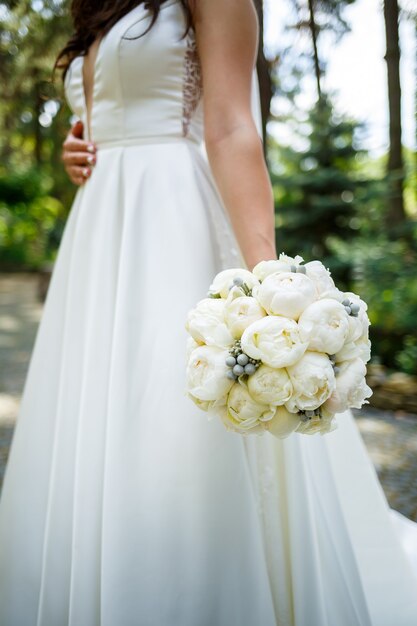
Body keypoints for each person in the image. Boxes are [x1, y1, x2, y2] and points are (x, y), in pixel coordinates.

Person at [0, 1, 416, 624]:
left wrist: (274, 289)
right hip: (100, 235)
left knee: (173, 417)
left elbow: (228, 127)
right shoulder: (106, 6)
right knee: (98, 417)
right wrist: (82, 143)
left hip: (173, 223)